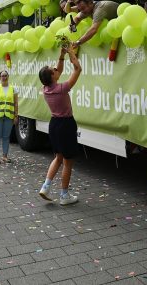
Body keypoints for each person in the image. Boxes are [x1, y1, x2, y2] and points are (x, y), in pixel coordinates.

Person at [38, 44, 82, 206]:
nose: (56, 69)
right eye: (54, 70)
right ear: (52, 76)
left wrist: (61, 55)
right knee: (68, 162)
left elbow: (59, 70)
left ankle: (46, 186)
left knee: (58, 157)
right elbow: (77, 69)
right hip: (66, 125)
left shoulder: (46, 88)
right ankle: (64, 195)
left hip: (54, 124)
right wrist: (71, 53)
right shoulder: (62, 88)